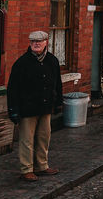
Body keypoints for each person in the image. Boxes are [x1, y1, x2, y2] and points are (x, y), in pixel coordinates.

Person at [7, 30, 63, 181]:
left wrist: (58, 103)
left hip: (45, 107)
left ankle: (42, 166)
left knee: (44, 137)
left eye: (39, 41)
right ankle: (27, 169)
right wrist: (13, 110)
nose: (36, 44)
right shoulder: (21, 63)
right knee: (27, 139)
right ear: (30, 43)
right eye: (33, 42)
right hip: (27, 108)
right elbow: (12, 89)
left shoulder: (52, 61)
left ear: (46, 42)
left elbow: (57, 84)